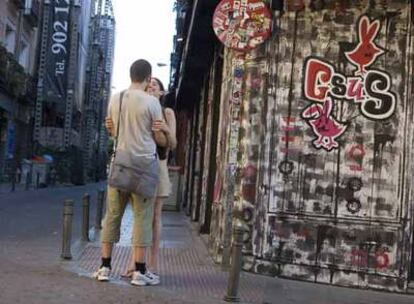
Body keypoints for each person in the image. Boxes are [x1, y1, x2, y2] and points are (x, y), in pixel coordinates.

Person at [94, 59, 167, 286]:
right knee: (142, 219)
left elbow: (114, 133)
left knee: (112, 215)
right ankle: (139, 272)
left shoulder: (117, 99)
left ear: (130, 75)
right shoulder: (152, 103)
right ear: (148, 77)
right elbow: (159, 139)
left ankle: (105, 267)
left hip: (121, 163)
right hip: (145, 165)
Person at [106, 77, 177, 281]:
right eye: (150, 83)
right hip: (140, 165)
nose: (152, 86)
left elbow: (172, 142)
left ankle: (151, 263)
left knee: (154, 216)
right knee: (139, 216)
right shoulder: (142, 107)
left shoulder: (167, 112)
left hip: (159, 166)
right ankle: (135, 264)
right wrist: (111, 127)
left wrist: (163, 128)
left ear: (162, 93)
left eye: (156, 85)